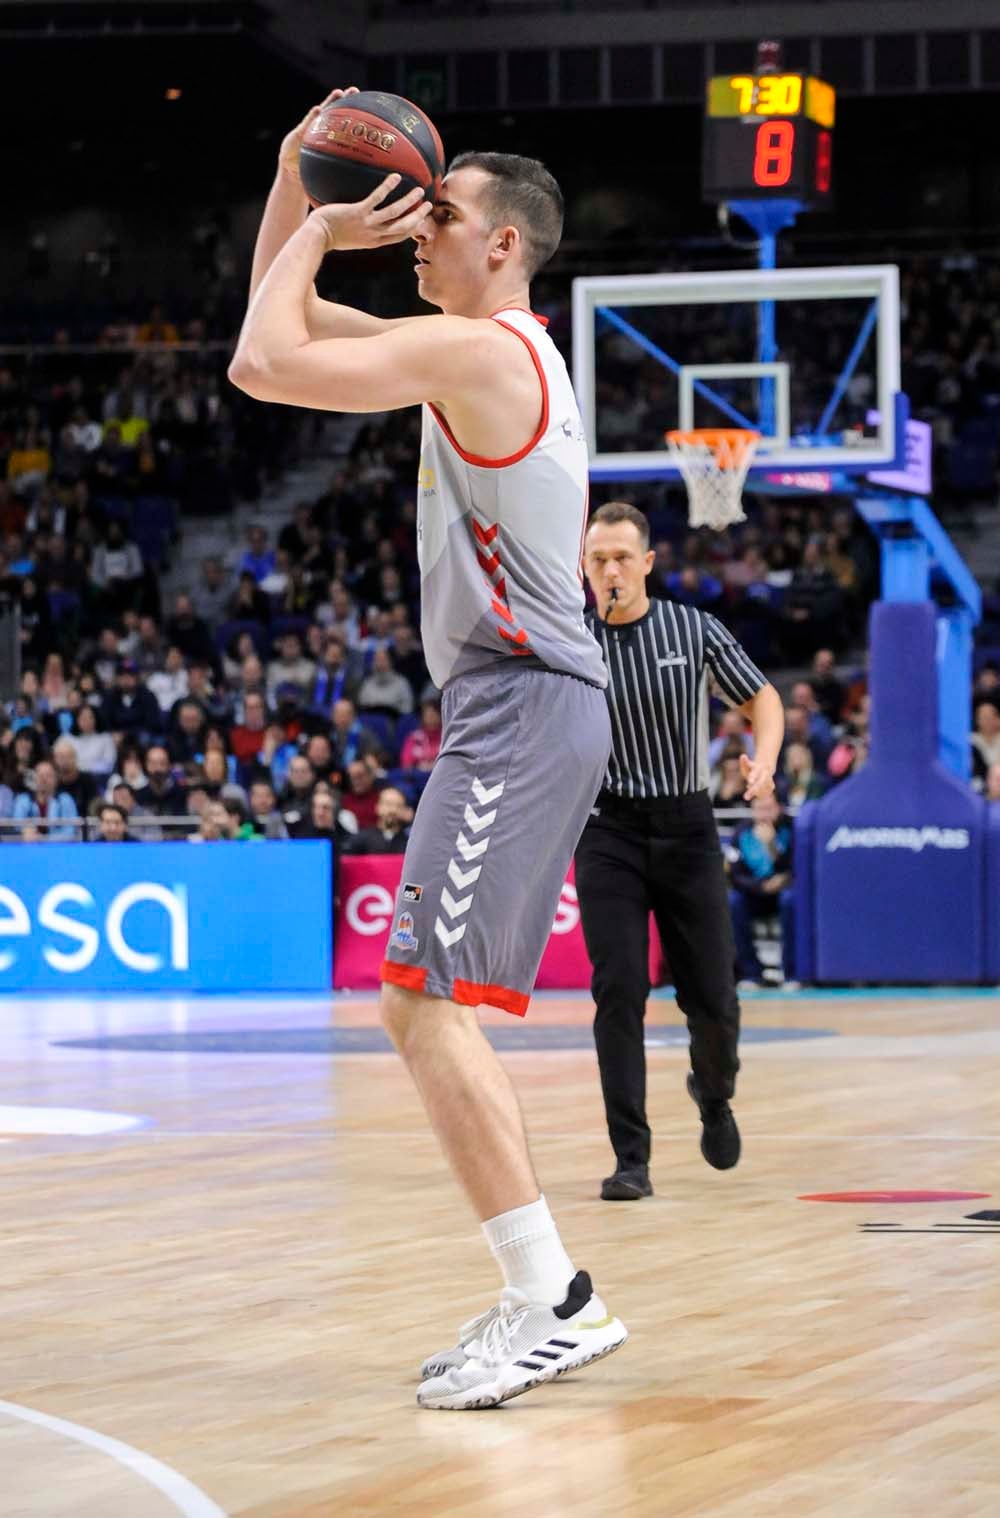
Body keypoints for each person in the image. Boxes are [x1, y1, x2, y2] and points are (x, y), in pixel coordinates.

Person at [229, 89, 626, 1411]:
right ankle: (548, 1292)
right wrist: (295, 178)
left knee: (413, 1001)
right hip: (513, 701)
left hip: (523, 696)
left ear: (504, 242)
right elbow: (282, 323)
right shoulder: (480, 348)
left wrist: (324, 219)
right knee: (427, 1003)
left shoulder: (487, 356)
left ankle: (551, 1299)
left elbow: (258, 364)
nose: (415, 230)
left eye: (439, 215)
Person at [575, 502, 785, 1201]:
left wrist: (764, 759)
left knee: (714, 1000)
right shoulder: (569, 640)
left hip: (687, 828)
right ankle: (630, 1157)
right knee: (618, 991)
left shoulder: (690, 628)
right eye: (597, 558)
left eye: (621, 558)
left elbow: (763, 698)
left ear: (647, 563)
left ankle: (714, 1092)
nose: (609, 570)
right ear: (584, 564)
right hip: (607, 830)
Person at [728, 795, 796, 989]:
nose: (764, 814)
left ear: (779, 808)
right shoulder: (742, 832)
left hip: (783, 892)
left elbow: (795, 866)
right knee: (733, 901)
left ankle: (790, 973)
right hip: (755, 893)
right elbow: (735, 874)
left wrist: (772, 845)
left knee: (790, 900)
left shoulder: (791, 829)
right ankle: (750, 973)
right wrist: (760, 886)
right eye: (759, 809)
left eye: (769, 808)